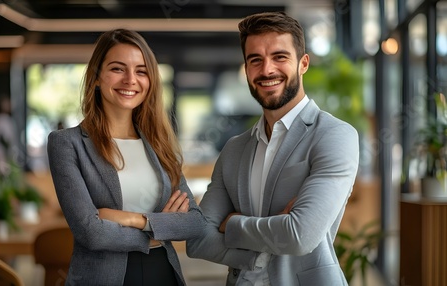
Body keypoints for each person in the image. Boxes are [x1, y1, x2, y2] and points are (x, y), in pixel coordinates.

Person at [186, 11, 359, 286]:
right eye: (255, 60)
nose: (267, 70)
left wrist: (231, 223)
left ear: (303, 63)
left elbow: (299, 236)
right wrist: (260, 252)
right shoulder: (234, 149)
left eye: (280, 57)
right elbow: (198, 240)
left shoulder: (334, 135)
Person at [47, 28, 207, 286]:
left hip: (162, 274)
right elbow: (91, 233)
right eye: (118, 69)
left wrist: (135, 219)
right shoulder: (67, 143)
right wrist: (159, 231)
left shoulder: (159, 144)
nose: (131, 79)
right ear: (97, 77)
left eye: (141, 71)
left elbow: (196, 222)